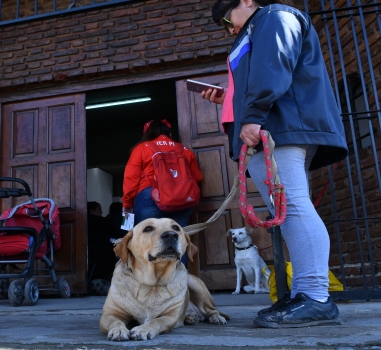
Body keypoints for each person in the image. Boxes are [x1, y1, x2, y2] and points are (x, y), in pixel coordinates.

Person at [203, 0, 348, 328]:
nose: (229, 29)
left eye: (227, 20)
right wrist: (229, 96)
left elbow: (274, 64)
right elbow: (265, 72)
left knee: (293, 206)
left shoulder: (272, 17)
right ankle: (305, 294)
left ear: (247, 1)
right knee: (291, 208)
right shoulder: (261, 25)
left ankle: (315, 297)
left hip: (277, 128)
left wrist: (252, 116)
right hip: (275, 126)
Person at [121, 119, 203, 265]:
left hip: (150, 196)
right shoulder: (184, 150)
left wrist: (127, 202)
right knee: (179, 241)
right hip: (184, 200)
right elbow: (197, 177)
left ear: (147, 133)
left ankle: (149, 283)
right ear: (169, 132)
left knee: (147, 240)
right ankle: (179, 284)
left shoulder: (142, 148)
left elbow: (130, 178)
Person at [86, 201, 118, 285]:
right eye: (99, 210)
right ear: (91, 211)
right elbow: (116, 233)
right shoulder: (101, 221)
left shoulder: (82, 222)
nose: (101, 212)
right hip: (103, 253)